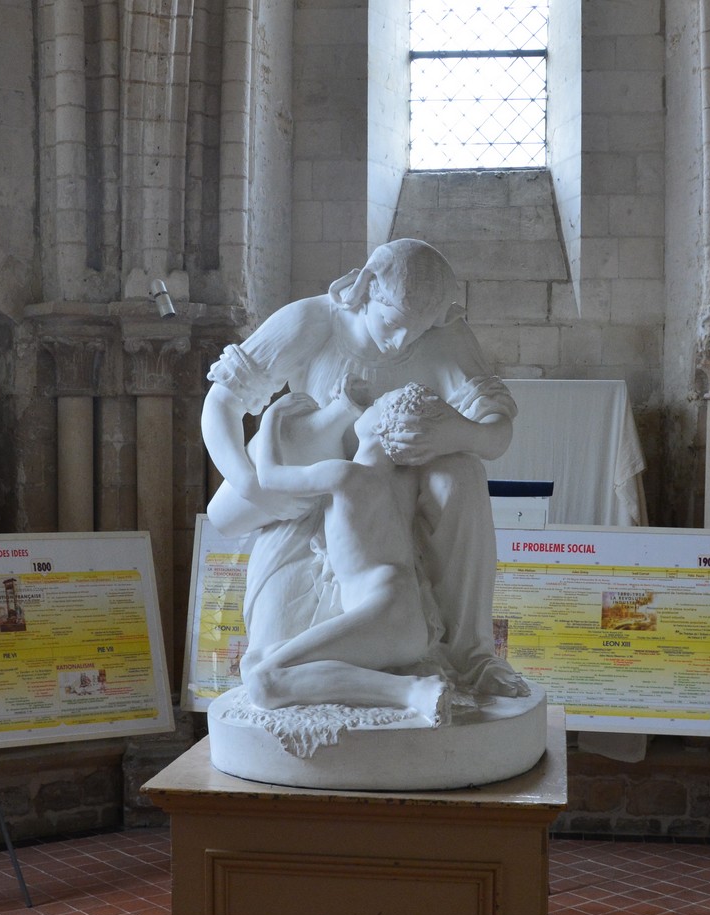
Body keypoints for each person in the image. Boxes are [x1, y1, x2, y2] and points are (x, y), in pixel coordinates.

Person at [200, 239, 530, 705]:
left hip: (390, 488)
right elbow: (222, 403)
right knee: (275, 653)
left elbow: (496, 434)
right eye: (393, 324)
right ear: (366, 288)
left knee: (461, 474)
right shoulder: (313, 321)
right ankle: (393, 676)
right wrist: (249, 482)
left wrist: (454, 433)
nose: (401, 342)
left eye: (416, 333)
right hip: (314, 497)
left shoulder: (443, 333)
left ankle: (471, 655)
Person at [243, 384, 455, 723]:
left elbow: (268, 477)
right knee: (262, 660)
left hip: (383, 615)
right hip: (401, 618)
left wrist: (270, 418)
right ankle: (406, 686)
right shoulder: (402, 481)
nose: (368, 404)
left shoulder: (345, 473)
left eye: (377, 403)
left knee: (263, 683)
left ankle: (413, 690)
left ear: (381, 425)